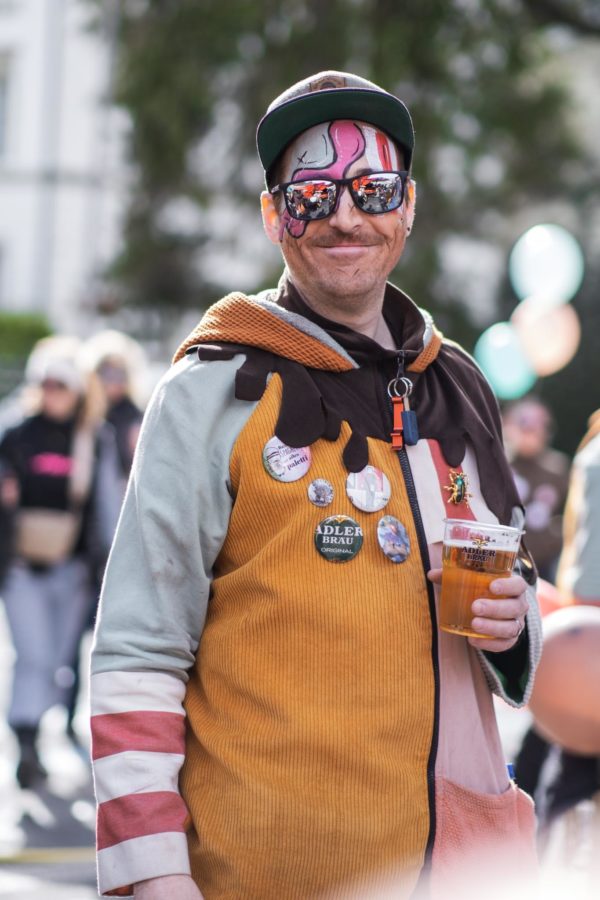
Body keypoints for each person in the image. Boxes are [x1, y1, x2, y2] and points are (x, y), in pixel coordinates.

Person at [90, 71, 541, 900]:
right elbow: (138, 650)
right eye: (311, 195)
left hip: (460, 871)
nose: (345, 217)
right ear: (274, 216)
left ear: (408, 207)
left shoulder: (460, 387)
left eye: (374, 191)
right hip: (265, 876)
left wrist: (515, 624)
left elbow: (519, 585)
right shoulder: (212, 390)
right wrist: (151, 874)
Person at [0, 336, 122, 788]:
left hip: (73, 570)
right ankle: (26, 741)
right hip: (21, 568)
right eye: (44, 383)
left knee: (55, 662)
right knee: (32, 656)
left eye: (60, 384)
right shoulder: (16, 432)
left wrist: (109, 567)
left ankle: (34, 730)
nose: (51, 392)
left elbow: (108, 505)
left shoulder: (93, 437)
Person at [502, 398, 570, 582]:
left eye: (541, 424)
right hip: (504, 558)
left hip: (544, 563)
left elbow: (570, 515)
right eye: (525, 423)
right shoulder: (498, 462)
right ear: (508, 424)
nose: (533, 430)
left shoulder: (557, 468)